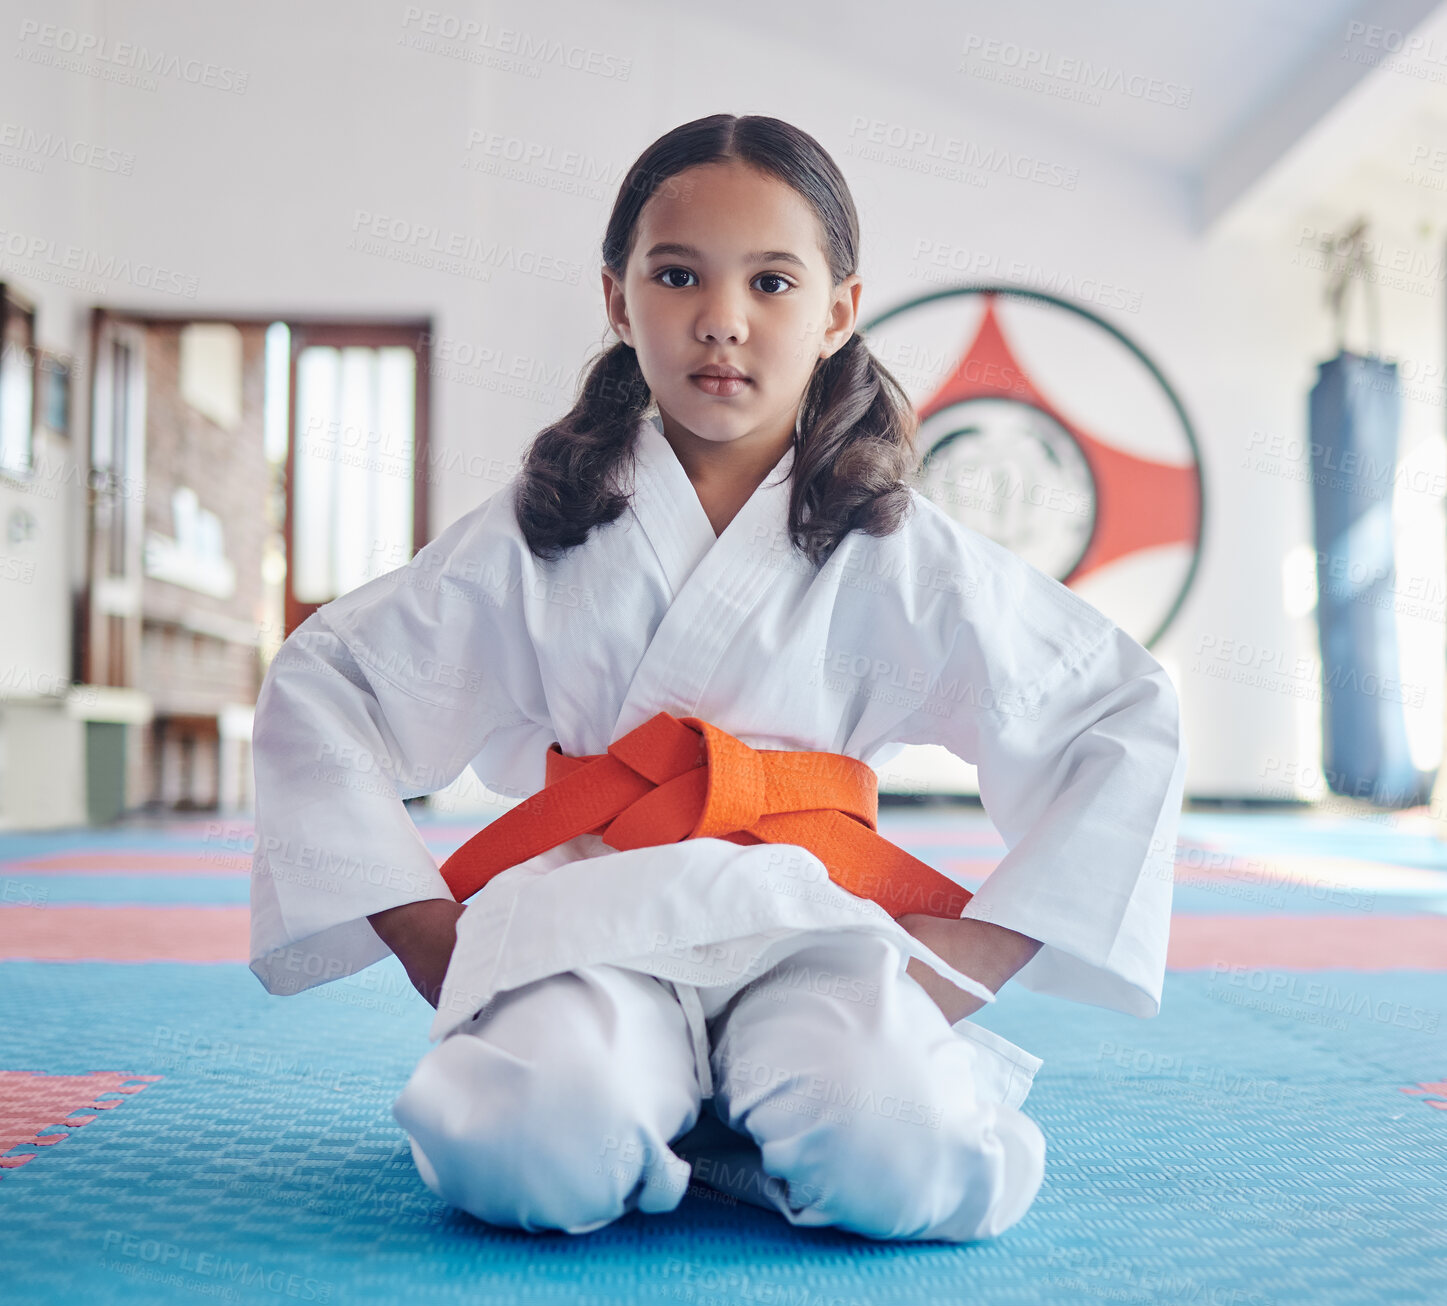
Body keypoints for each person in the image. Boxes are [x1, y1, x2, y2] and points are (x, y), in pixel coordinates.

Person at [248, 113, 1188, 1243]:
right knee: (526, 1147)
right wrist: (429, 935)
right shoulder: (544, 528)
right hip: (591, 914)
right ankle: (697, 1118)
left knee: (909, 1158)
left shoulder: (892, 543)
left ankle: (730, 1114)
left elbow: (1119, 708)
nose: (723, 320)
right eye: (678, 273)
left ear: (840, 309)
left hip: (809, 923)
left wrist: (980, 951)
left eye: (774, 281)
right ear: (616, 297)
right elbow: (327, 683)